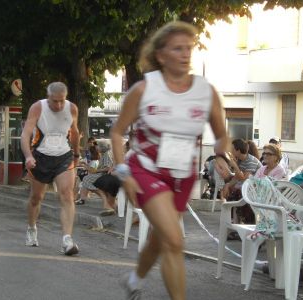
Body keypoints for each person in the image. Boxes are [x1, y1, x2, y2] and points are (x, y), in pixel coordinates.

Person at [110, 21, 229, 300]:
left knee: (161, 238)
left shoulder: (206, 91)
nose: (186, 54)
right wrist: (123, 173)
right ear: (161, 55)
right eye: (178, 48)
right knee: (175, 240)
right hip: (146, 171)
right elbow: (117, 133)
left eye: (189, 48)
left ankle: (134, 280)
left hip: (182, 176)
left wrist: (221, 154)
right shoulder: (143, 89)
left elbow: (222, 135)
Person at [21, 81, 80, 256]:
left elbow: (75, 132)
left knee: (67, 195)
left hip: (63, 156)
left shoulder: (72, 108)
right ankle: (32, 228)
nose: (59, 105)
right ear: (48, 98)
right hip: (40, 157)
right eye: (55, 101)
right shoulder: (37, 108)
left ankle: (67, 240)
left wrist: (76, 154)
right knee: (36, 197)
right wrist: (28, 156)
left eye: (62, 100)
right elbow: (25, 135)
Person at [76, 141, 116, 215]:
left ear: (101, 147)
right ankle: (83, 198)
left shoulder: (106, 154)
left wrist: (97, 170)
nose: (96, 147)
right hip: (103, 174)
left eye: (97, 146)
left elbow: (107, 168)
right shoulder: (105, 154)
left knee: (86, 179)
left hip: (104, 175)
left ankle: (104, 201)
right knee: (86, 179)